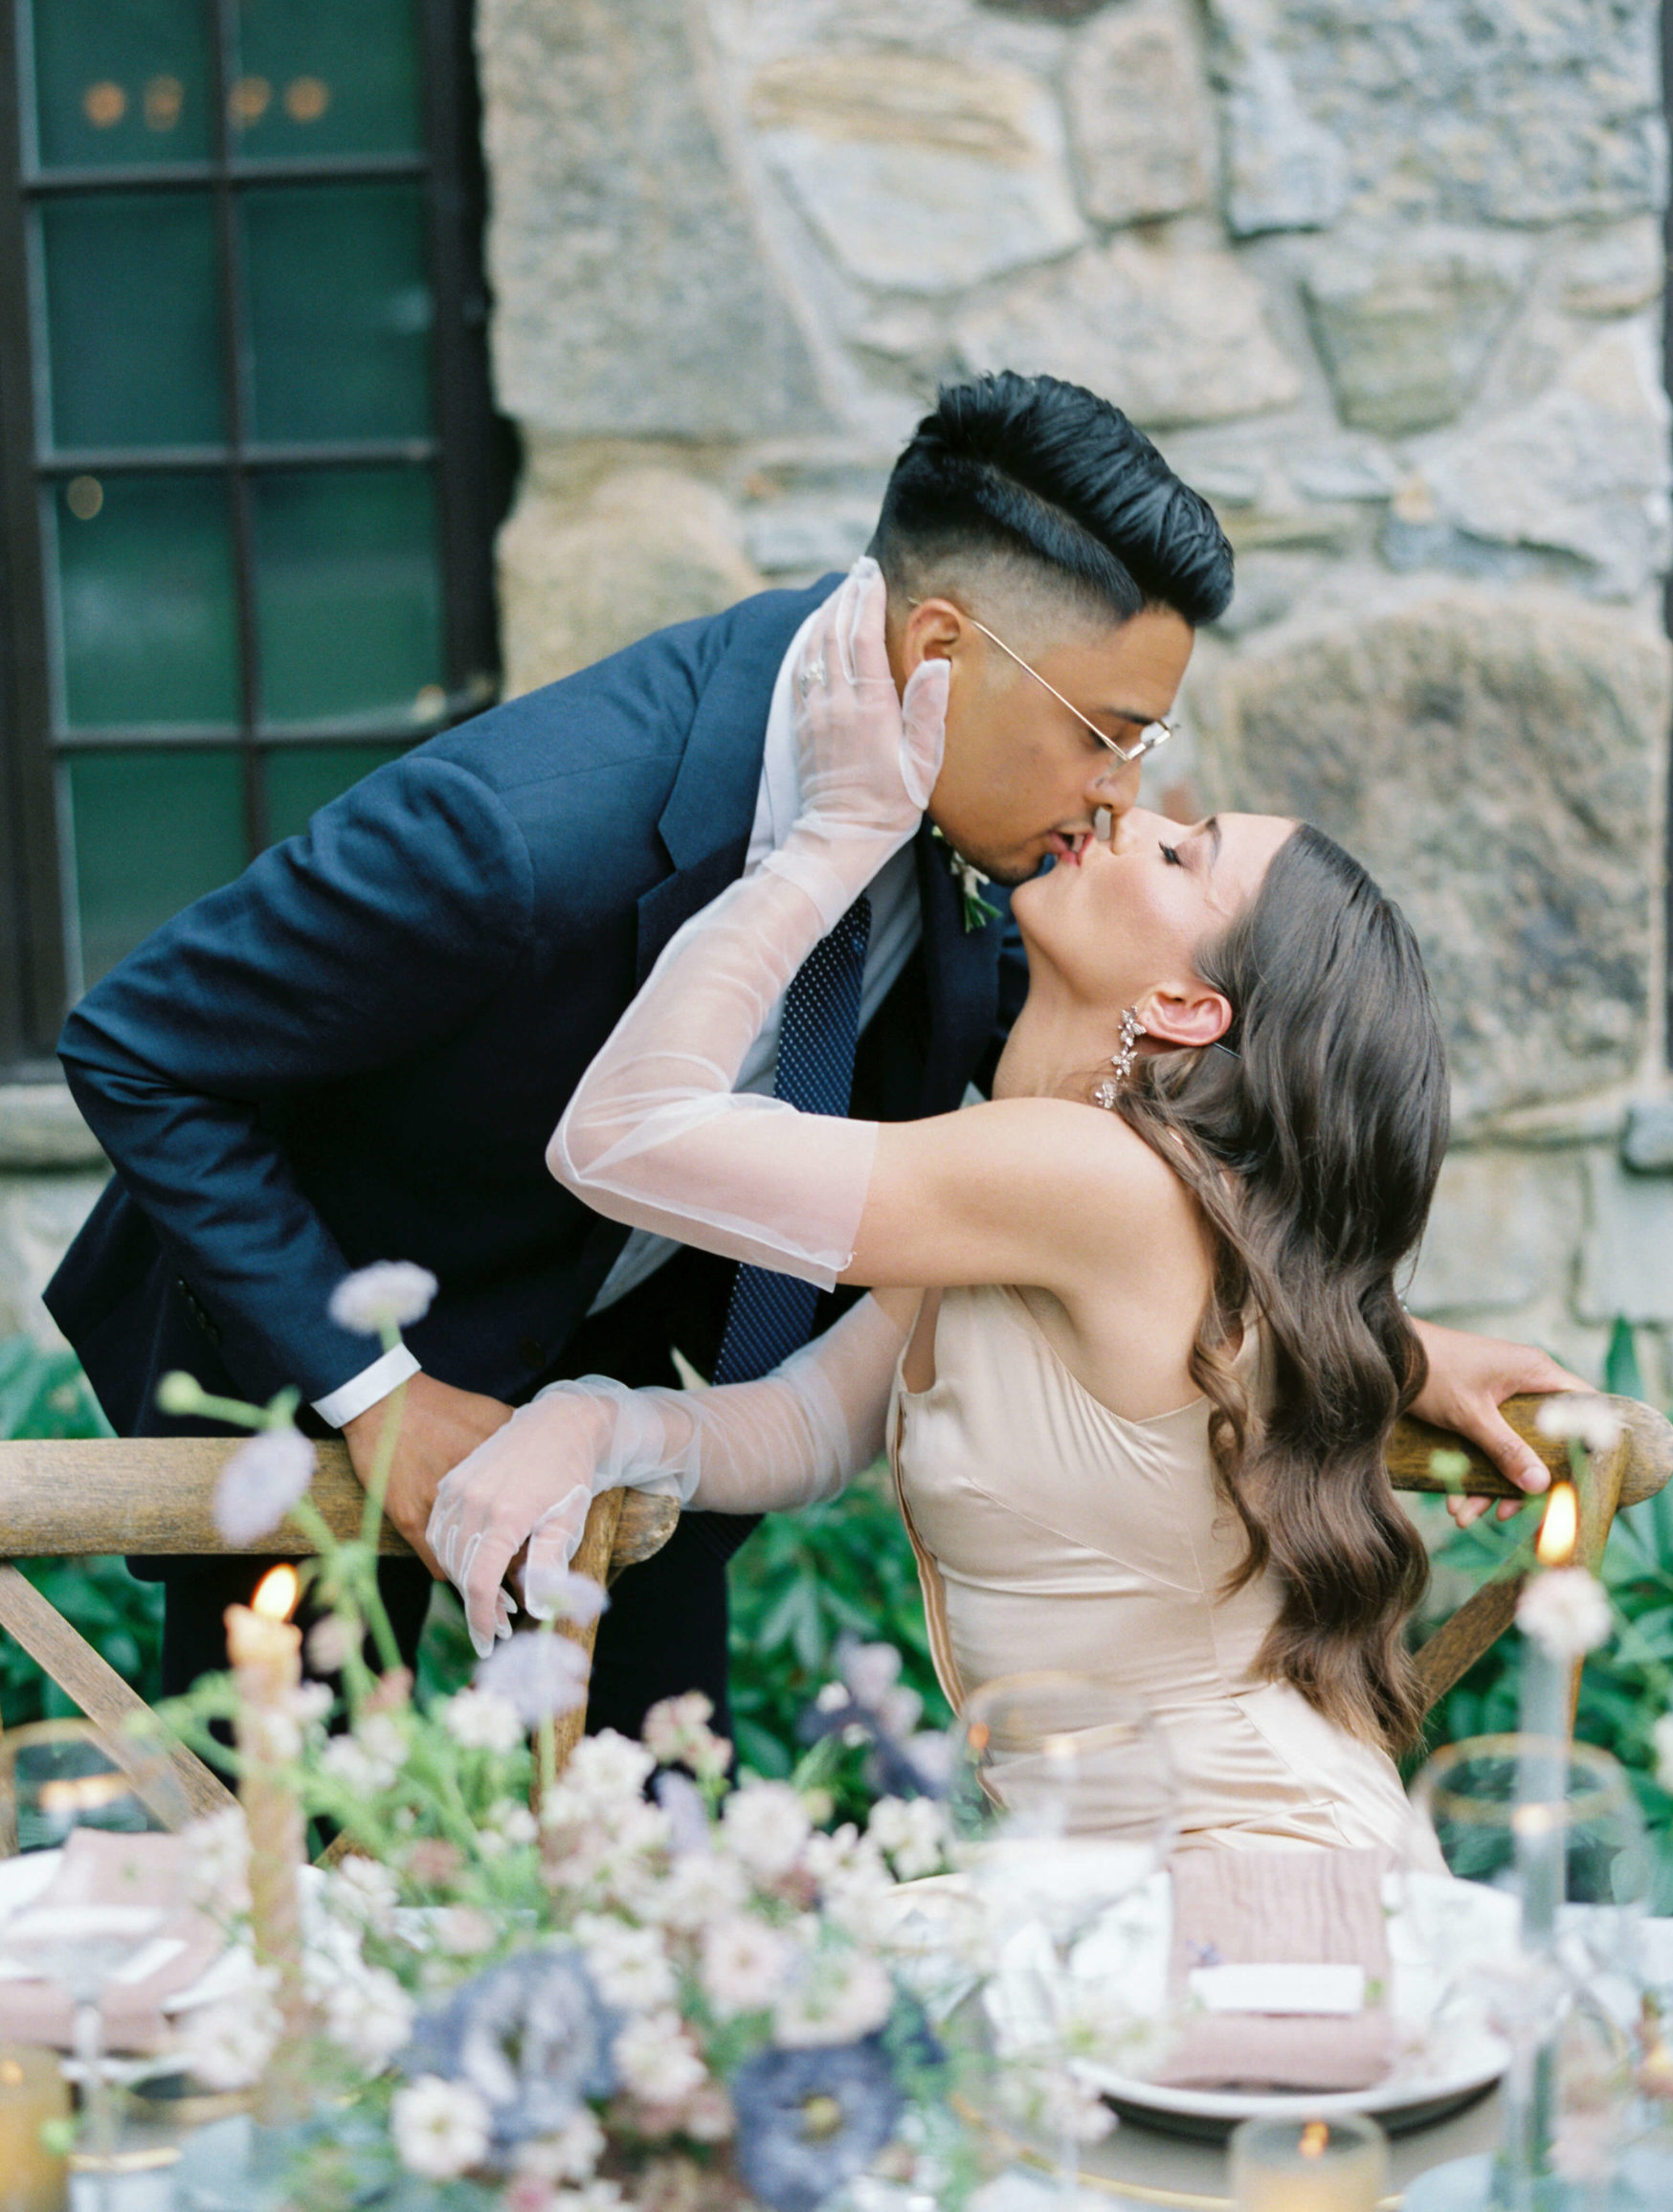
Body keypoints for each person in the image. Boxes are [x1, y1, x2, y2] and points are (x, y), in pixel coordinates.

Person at [48, 371, 1567, 1738]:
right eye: (1106, 735)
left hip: (648, 1421)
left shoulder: (989, 819)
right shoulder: (516, 837)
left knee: (666, 1882)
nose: (1117, 797)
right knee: (287, 1859)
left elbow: (1123, 1196)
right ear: (939, 650)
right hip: (326, 1379)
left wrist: (1386, 1350)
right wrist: (375, 1394)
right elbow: (139, 1050)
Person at [430, 568, 1550, 1853]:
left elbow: (624, 1138)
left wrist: (832, 842)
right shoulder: (1070, 1193)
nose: (1126, 813)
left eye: (1185, 856)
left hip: (1244, 1877)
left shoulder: (1089, 1182)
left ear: (1188, 1008)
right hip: (1098, 1884)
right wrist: (593, 1420)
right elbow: (807, 1425)